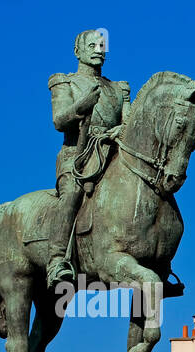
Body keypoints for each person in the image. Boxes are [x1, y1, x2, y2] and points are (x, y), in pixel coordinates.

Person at [45, 29, 129, 286]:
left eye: (101, 45)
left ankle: (155, 260)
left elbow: (130, 122)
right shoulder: (64, 82)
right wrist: (82, 106)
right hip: (77, 155)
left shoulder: (118, 88)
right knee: (71, 193)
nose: (98, 50)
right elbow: (59, 121)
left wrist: (121, 129)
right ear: (77, 51)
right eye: (91, 45)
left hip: (111, 155)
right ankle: (57, 260)